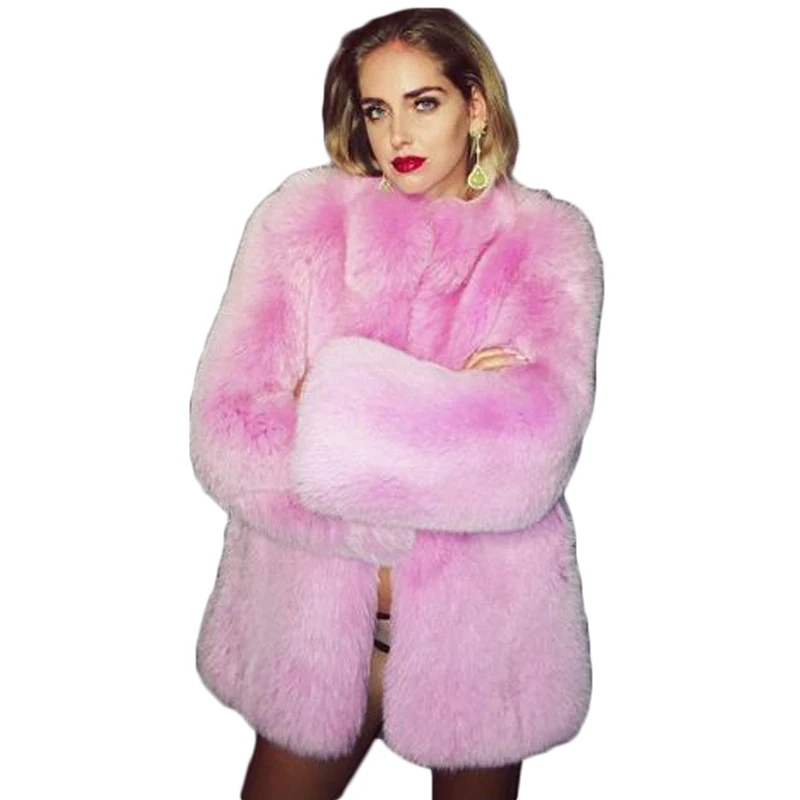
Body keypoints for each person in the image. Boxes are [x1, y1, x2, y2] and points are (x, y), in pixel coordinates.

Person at [189, 8, 604, 799]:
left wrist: (324, 399)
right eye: (377, 109)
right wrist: (453, 409)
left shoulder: (545, 243)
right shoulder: (302, 224)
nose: (397, 135)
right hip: (308, 640)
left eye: (425, 102)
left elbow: (528, 462)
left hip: (481, 642)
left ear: (474, 106)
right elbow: (227, 436)